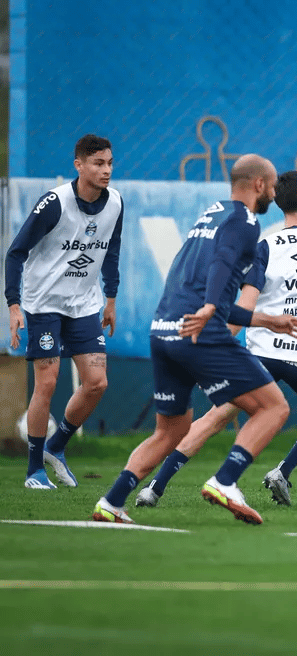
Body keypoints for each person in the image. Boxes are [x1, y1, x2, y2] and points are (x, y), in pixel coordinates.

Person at [133, 171, 297, 508]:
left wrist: (212, 349)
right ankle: (283, 470)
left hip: (262, 354)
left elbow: (244, 307)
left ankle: (155, 487)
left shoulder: (265, 246)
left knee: (216, 415)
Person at [92, 154, 297, 525]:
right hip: (200, 333)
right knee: (274, 407)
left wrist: (267, 320)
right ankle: (225, 481)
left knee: (171, 430)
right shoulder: (245, 220)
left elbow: (211, 294)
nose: (274, 193)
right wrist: (210, 307)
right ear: (258, 185)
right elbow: (222, 267)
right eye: (272, 186)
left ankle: (111, 502)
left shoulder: (212, 215)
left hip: (164, 331)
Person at [5, 135, 123, 490]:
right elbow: (15, 253)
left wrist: (111, 298)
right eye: (98, 163)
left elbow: (112, 251)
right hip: (44, 304)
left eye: (109, 163)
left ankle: (56, 447)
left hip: (84, 304)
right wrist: (14, 304)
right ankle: (34, 471)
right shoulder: (55, 203)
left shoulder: (116, 202)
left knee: (97, 382)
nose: (106, 170)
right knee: (48, 382)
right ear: (79, 165)